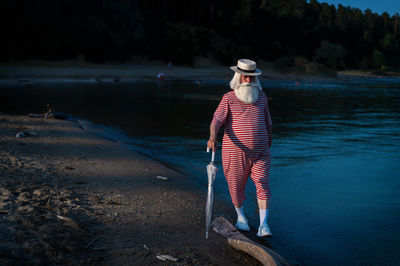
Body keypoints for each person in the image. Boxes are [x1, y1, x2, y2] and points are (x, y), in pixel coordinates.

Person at [207, 59, 273, 237]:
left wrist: (269, 140)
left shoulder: (262, 96)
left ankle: (264, 225)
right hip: (235, 152)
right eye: (245, 77)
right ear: (239, 77)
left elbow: (268, 122)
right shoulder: (228, 98)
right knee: (236, 186)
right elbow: (217, 120)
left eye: (252, 78)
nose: (248, 81)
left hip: (261, 152)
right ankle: (241, 217)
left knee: (262, 183)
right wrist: (213, 137)